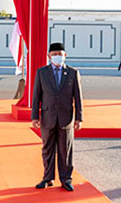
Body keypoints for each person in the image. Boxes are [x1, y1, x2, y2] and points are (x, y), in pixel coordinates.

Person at [31, 42, 83, 192]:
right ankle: (47, 178)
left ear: (65, 55)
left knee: (65, 150)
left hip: (66, 118)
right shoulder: (42, 73)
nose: (57, 57)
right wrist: (35, 116)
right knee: (47, 149)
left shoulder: (73, 73)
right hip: (47, 117)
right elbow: (36, 96)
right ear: (48, 56)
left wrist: (79, 118)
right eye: (54, 55)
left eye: (60, 54)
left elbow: (78, 97)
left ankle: (66, 179)